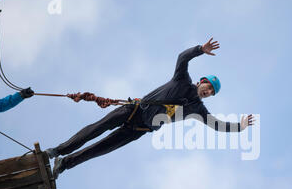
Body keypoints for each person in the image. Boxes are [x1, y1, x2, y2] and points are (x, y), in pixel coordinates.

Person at [46, 38, 255, 179]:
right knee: (96, 128)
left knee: (100, 149)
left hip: (139, 129)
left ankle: (64, 164)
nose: (208, 91)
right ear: (201, 82)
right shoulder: (182, 79)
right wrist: (200, 50)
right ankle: (57, 150)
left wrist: (240, 127)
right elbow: (182, 57)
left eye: (211, 92)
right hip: (133, 110)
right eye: (207, 86)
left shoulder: (197, 109)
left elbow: (217, 125)